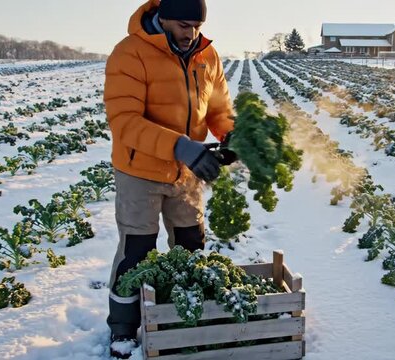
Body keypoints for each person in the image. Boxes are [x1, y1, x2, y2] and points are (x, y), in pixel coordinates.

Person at [103, 0, 236, 357]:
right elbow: (125, 122)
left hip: (186, 172)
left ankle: (184, 319)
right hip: (139, 172)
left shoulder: (208, 56)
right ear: (162, 18)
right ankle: (122, 328)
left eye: (196, 25)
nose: (190, 33)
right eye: (182, 24)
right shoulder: (130, 53)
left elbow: (220, 109)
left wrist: (230, 135)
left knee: (191, 246)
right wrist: (181, 146)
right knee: (137, 253)